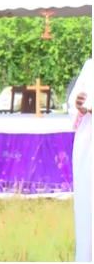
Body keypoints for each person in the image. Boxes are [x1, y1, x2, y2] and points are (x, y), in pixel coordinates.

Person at [69, 57, 91, 262]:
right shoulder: (90, 67)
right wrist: (79, 105)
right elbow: (73, 106)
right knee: (88, 210)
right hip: (88, 150)